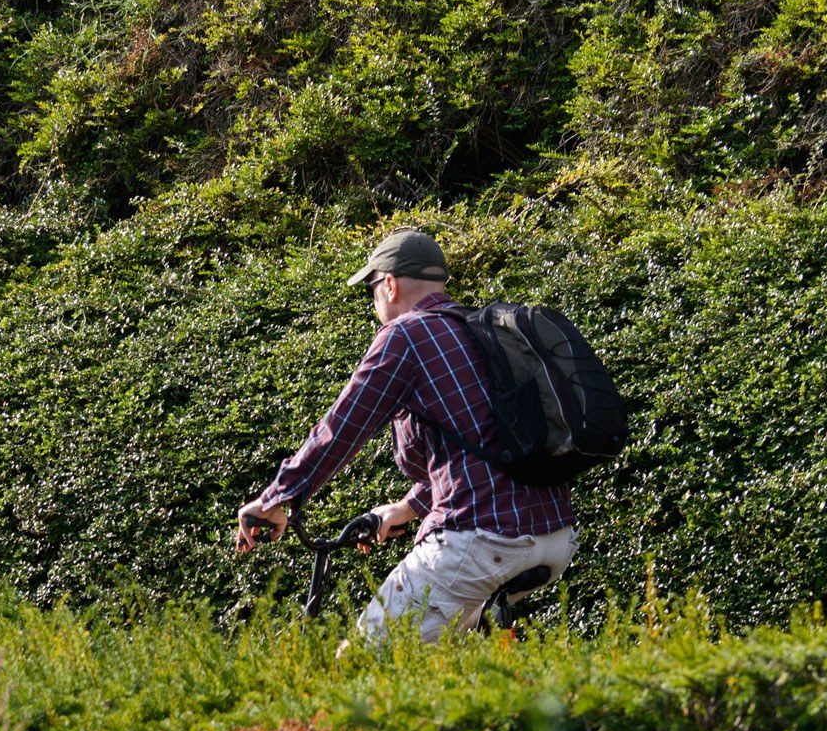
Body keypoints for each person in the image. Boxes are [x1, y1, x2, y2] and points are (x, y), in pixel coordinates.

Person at [235, 228, 578, 644]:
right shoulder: (478, 328)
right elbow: (485, 446)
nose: (374, 302)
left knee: (366, 658)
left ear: (390, 284)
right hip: (555, 534)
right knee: (448, 659)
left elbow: (341, 429)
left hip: (484, 537)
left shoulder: (405, 336)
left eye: (373, 289)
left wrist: (276, 498)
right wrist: (407, 507)